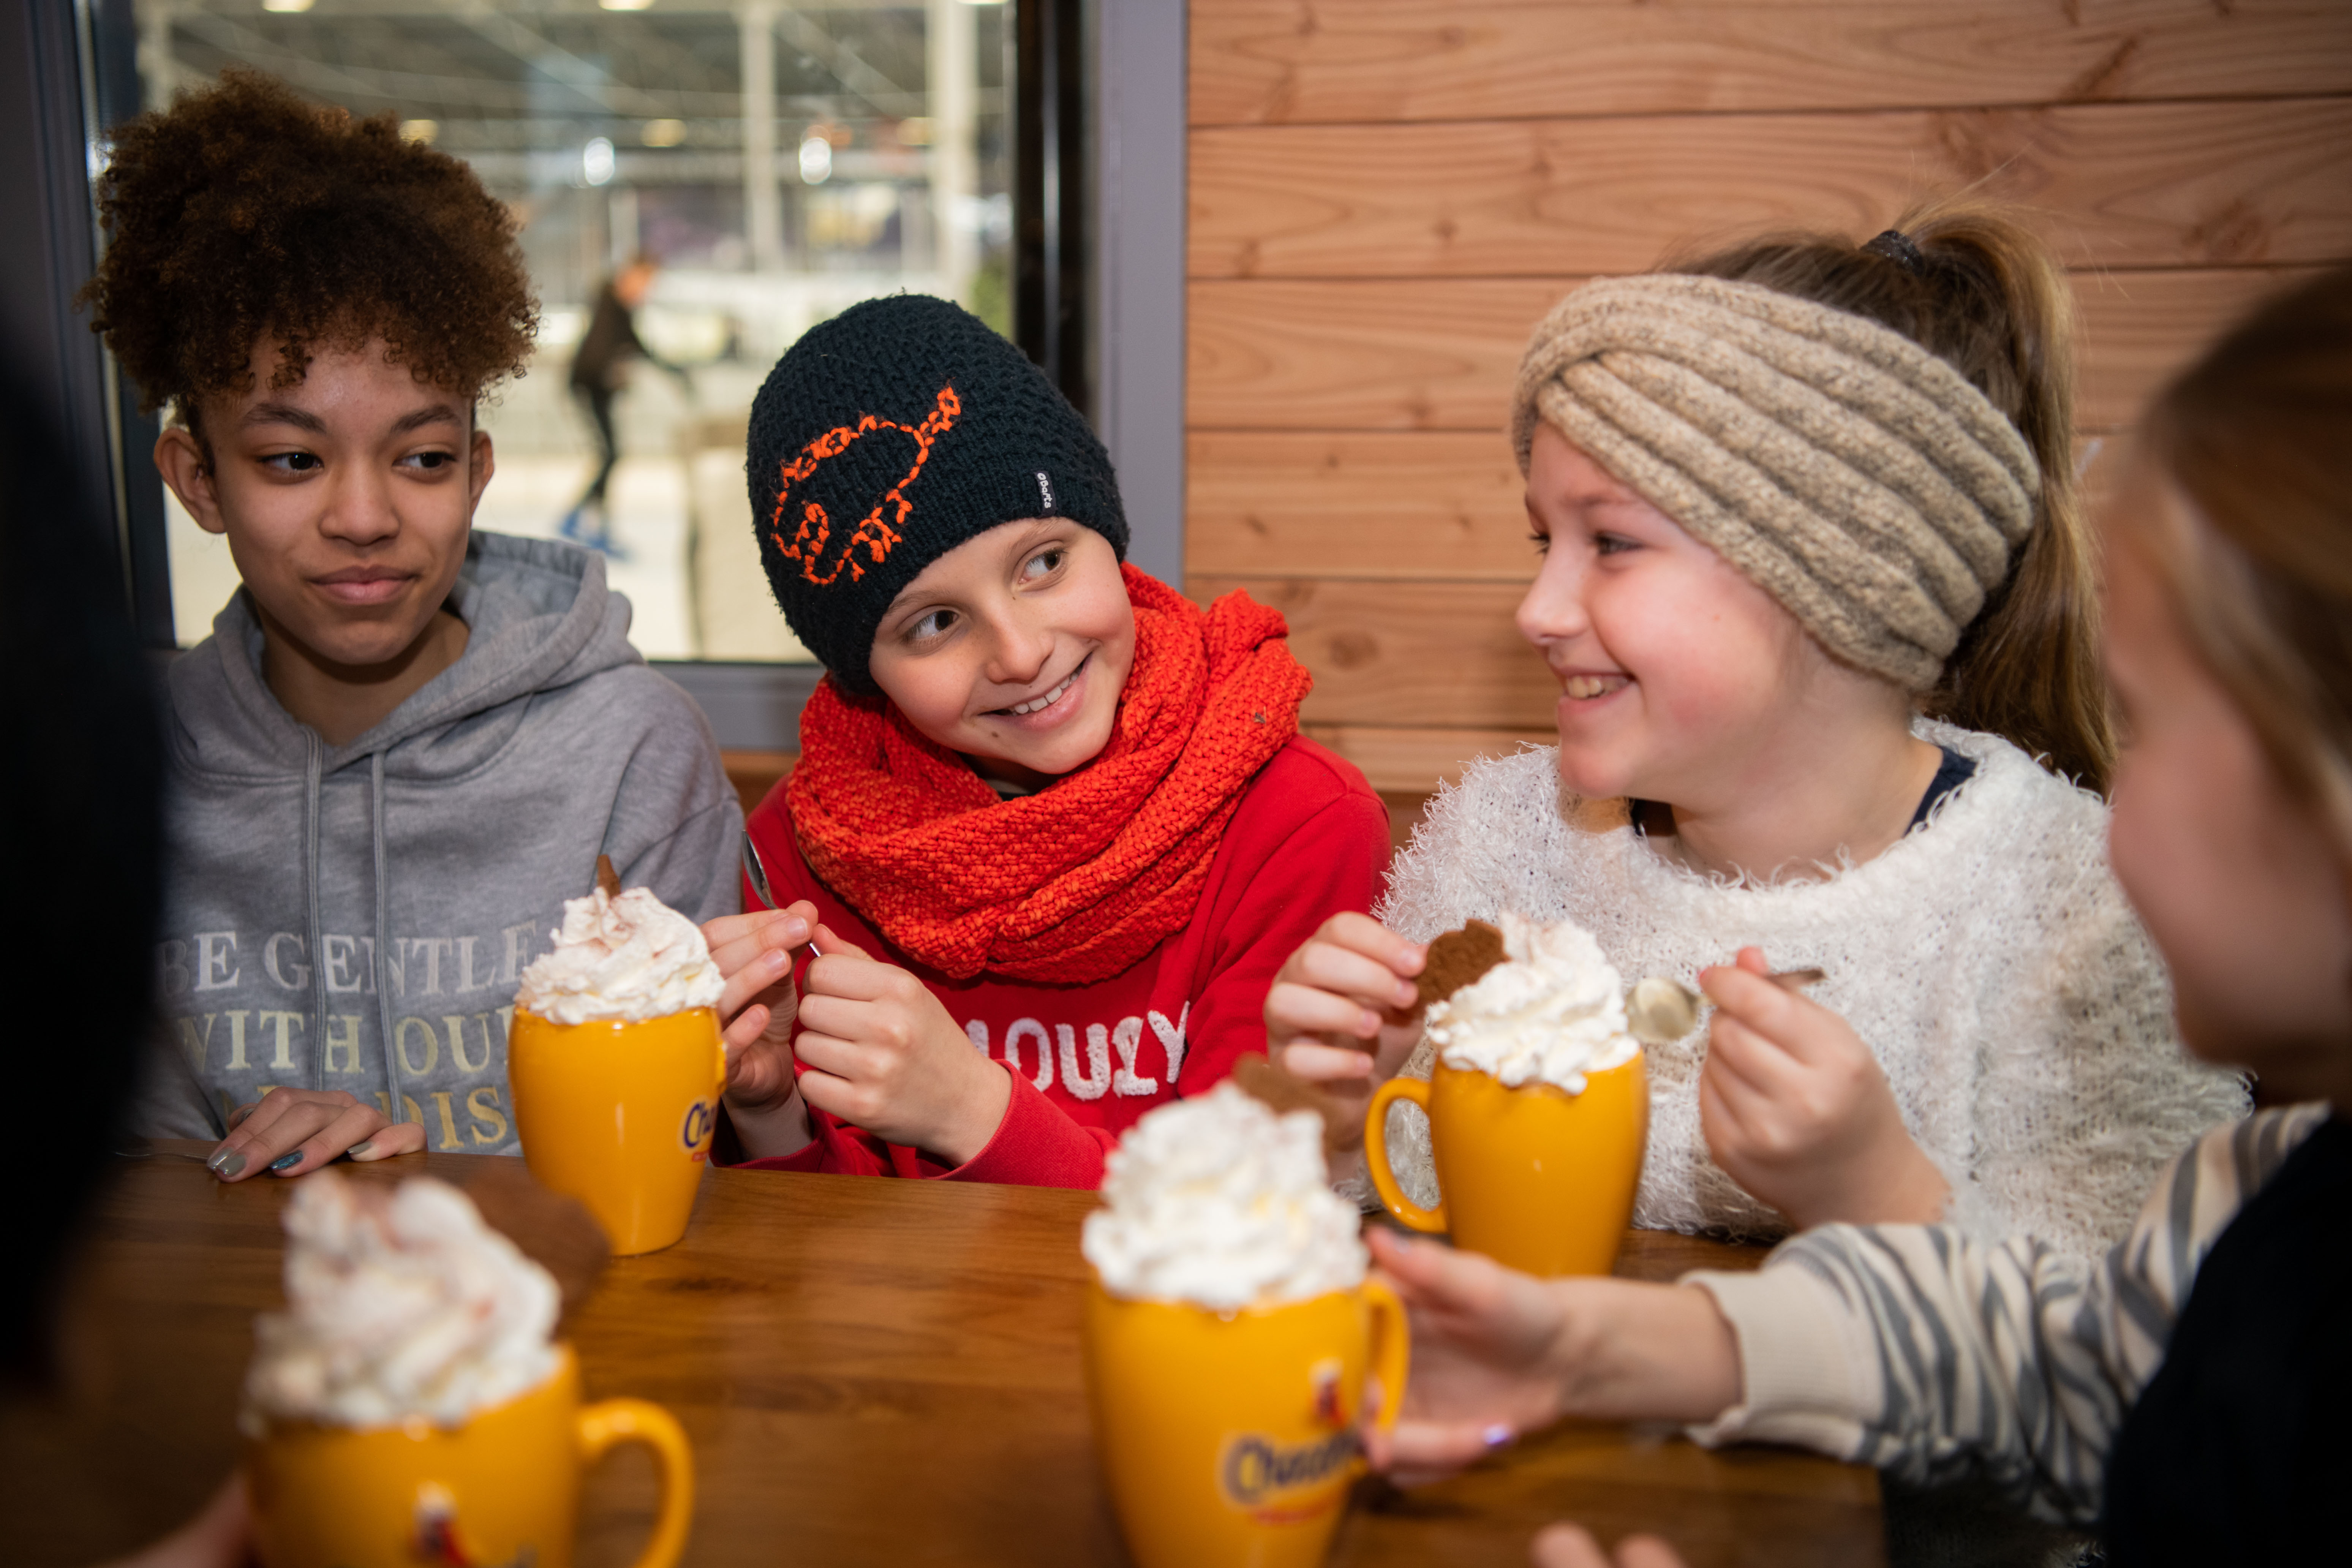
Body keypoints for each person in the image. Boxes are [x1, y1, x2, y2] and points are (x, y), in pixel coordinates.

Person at [1365, 264, 2352, 1565]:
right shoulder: (2274, 1191)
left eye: (2155, 720)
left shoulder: (2060, 912)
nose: (2110, 807)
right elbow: (2068, 1357)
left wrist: (1871, 1187)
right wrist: (1615, 1342)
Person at [1266, 202, 2243, 1257]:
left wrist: (1879, 1191)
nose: (1538, 610)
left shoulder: (2086, 916)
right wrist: (1336, 1111)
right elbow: (1388, 1215)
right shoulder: (1501, 844)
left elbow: (2139, 1356)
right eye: (1546, 540)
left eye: (1614, 543)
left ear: (1838, 577)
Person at [81, 71, 743, 1179]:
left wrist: (446, 1178)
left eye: (422, 457)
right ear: (198, 481)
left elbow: (692, 1159)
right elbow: (123, 1210)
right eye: (292, 459)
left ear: (477, 474)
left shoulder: (633, 752)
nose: (364, 516)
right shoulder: (120, 775)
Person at [699, 294, 1391, 1186]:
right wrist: (767, 1108)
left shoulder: (1296, 823)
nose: (1022, 653)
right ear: (862, 672)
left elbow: (1243, 1218)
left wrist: (972, 1111)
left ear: (1107, 533)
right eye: (936, 621)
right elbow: (812, 1279)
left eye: (1043, 563)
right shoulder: (805, 851)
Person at [560, 254, 689, 556]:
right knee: (611, 454)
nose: (646, 291)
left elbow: (636, 347)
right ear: (631, 276)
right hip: (589, 386)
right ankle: (582, 520)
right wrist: (613, 376)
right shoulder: (611, 306)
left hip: (596, 387)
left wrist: (675, 374)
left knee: (612, 455)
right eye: (645, 283)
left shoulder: (619, 310)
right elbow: (600, 352)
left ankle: (589, 521)